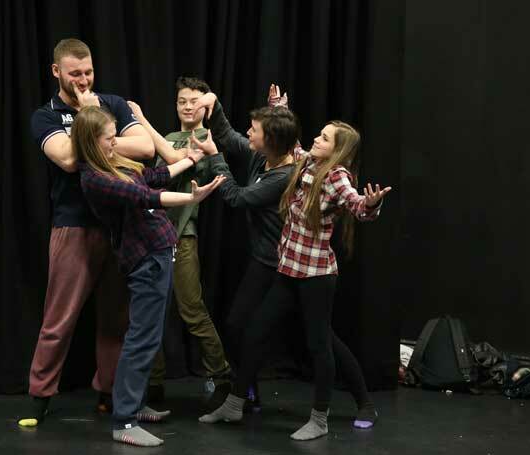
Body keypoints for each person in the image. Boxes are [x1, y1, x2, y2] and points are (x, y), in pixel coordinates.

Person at [198, 118, 391, 442]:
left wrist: (371, 204)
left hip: (316, 276)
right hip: (289, 269)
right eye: (320, 133)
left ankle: (321, 417)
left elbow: (356, 204)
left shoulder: (336, 175)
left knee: (321, 344)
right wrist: (278, 108)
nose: (317, 138)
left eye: (325, 137)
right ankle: (234, 403)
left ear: (337, 149)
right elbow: (293, 145)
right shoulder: (306, 162)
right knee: (257, 332)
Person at [19, 38, 154, 427]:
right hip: (73, 227)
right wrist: (96, 129)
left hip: (120, 226)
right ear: (56, 71)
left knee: (116, 319)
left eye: (88, 72)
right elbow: (64, 158)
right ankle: (40, 397)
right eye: (75, 73)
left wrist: (94, 139)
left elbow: (146, 148)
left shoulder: (111, 102)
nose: (83, 80)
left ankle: (109, 394)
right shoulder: (46, 115)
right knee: (59, 319)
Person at [74, 106, 225, 446]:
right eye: (110, 139)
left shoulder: (112, 163)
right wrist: (192, 196)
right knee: (141, 339)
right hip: (145, 260)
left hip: (157, 254)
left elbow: (152, 178)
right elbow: (145, 197)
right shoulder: (95, 178)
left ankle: (136, 405)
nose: (117, 144)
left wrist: (189, 158)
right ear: (92, 142)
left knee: (148, 337)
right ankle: (124, 421)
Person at [186, 86, 300, 411]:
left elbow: (235, 198)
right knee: (238, 327)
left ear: (272, 141)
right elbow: (227, 133)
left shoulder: (283, 177)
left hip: (279, 265)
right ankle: (247, 391)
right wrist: (213, 101)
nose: (248, 132)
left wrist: (214, 157)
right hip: (261, 260)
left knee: (315, 338)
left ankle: (361, 402)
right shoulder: (261, 157)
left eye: (255, 130)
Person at [127, 76, 232, 404]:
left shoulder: (205, 137)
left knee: (191, 309)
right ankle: (154, 383)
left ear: (205, 106)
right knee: (153, 311)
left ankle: (222, 376)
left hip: (182, 237)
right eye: (182, 101)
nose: (188, 107)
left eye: (195, 102)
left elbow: (174, 158)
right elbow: (160, 171)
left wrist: (142, 121)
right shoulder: (170, 136)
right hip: (154, 233)